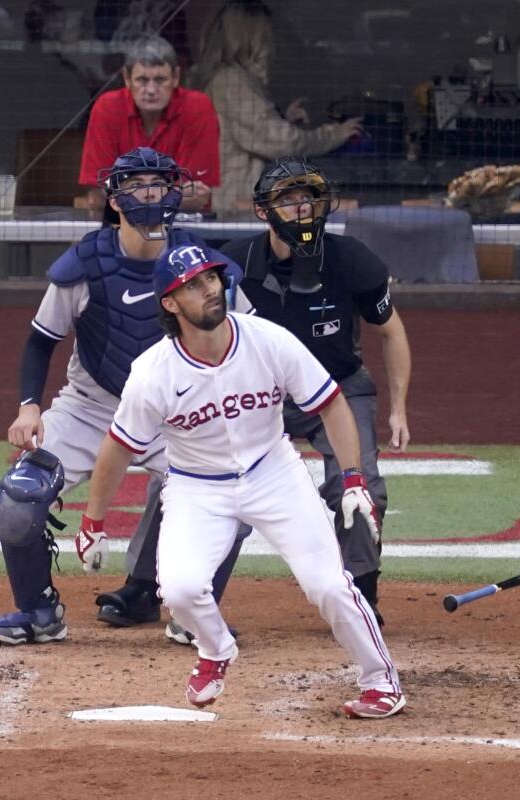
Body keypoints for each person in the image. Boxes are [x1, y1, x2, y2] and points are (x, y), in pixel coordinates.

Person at [72, 241, 406, 718]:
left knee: (328, 585)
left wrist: (353, 479)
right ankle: (216, 648)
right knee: (182, 590)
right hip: (196, 486)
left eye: (211, 278)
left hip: (274, 474)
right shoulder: (153, 374)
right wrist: (93, 521)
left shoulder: (268, 340)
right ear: (169, 303)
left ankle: (381, 681)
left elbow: (332, 402)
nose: (210, 288)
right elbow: (119, 447)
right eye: (193, 285)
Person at [96, 156, 410, 639]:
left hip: (338, 384)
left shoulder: (354, 259)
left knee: (360, 482)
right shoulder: (232, 263)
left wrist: (398, 408)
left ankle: (360, 594)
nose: (302, 208)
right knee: (181, 473)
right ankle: (142, 588)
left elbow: (392, 332)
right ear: (265, 212)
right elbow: (179, 296)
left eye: (309, 197)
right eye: (289, 199)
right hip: (257, 389)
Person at [0, 146, 252, 646]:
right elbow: (42, 339)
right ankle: (38, 613)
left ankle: (192, 613)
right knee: (19, 497)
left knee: (232, 502)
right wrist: (28, 405)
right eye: (135, 185)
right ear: (114, 197)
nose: (149, 194)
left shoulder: (202, 263)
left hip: (178, 411)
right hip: (90, 405)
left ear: (175, 192)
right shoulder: (85, 262)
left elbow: (247, 338)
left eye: (158, 183)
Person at [188, 0, 364, 213]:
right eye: (266, 34)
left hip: (231, 203)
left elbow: (250, 131)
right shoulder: (231, 81)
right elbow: (281, 142)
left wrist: (283, 119)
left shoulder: (222, 78)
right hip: (234, 208)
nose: (271, 42)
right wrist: (333, 135)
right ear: (252, 36)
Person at [79, 35, 219, 213]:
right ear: (127, 79)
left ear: (176, 77)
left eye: (160, 80)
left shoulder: (197, 107)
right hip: (119, 227)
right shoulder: (107, 107)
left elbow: (197, 197)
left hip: (183, 226)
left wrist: (126, 193)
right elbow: (98, 195)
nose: (151, 90)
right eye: (142, 80)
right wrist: (170, 195)